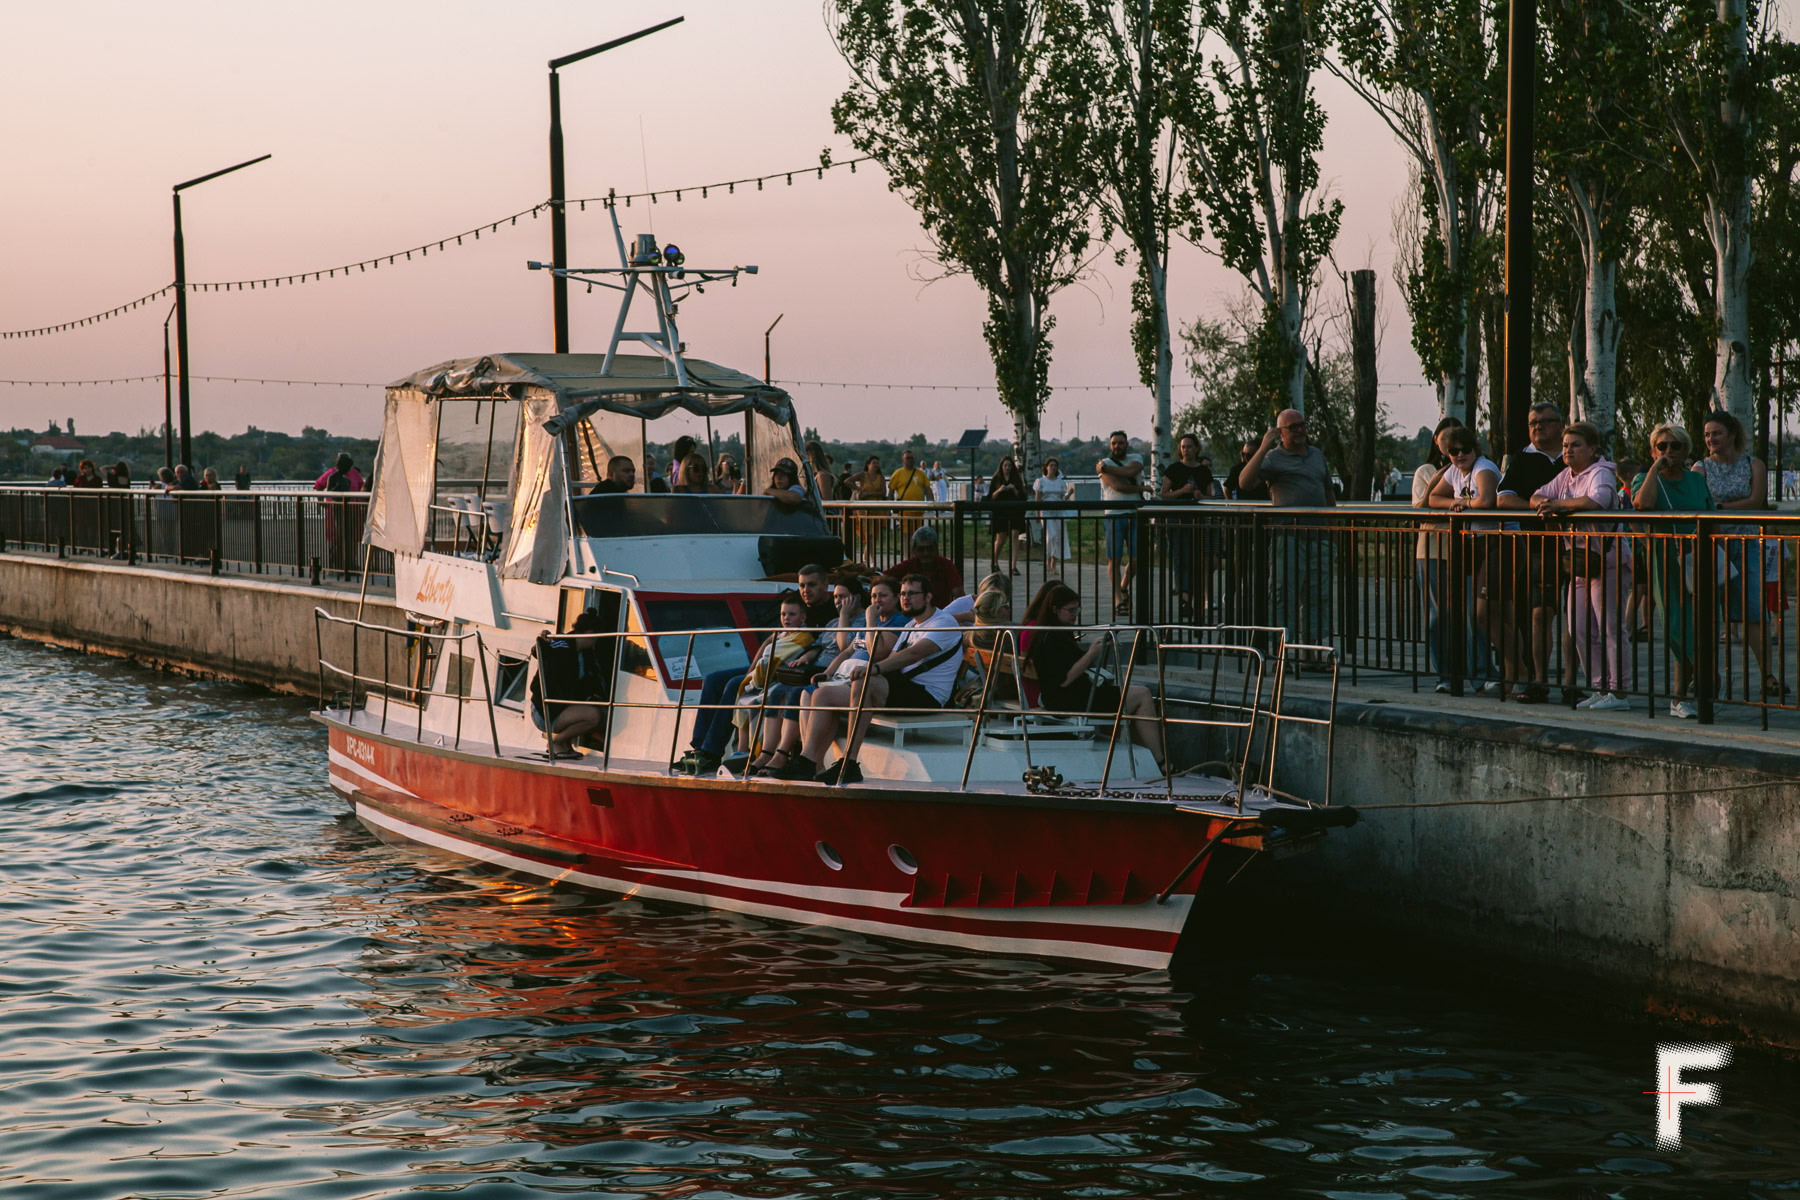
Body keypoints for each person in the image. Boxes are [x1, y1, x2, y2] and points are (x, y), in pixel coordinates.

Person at [798, 573, 966, 785]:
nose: (906, 598)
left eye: (912, 593)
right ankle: (808, 761)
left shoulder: (943, 622)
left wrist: (873, 670)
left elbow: (913, 654)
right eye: (904, 593)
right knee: (823, 694)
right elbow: (894, 658)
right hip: (903, 687)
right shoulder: (910, 626)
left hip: (927, 694)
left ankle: (849, 762)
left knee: (866, 681)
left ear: (928, 597)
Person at [1532, 422, 1631, 711]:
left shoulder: (1601, 473)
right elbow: (1537, 495)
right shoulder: (1566, 476)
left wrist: (1560, 507)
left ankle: (1619, 691)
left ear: (1592, 449)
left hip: (1606, 559)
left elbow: (1598, 500)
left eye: (1575, 445)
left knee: (1610, 627)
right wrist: (1545, 503)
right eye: (1565, 446)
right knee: (1579, 628)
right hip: (1578, 562)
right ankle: (1600, 687)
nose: (1568, 450)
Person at [1020, 581, 1167, 772]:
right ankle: (1159, 760)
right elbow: (1063, 680)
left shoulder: (1048, 632)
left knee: (1137, 695)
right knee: (1143, 695)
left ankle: (1151, 760)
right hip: (1067, 699)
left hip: (1066, 696)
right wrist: (1091, 654)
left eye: (1077, 610)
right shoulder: (1052, 637)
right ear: (1055, 610)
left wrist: (1094, 650)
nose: (1075, 615)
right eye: (1071, 610)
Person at [1237, 409, 1335, 657]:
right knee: (1284, 593)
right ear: (1280, 432)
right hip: (1288, 536)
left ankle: (1310, 652)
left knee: (1318, 595)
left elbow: (1328, 491)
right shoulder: (1273, 458)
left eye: (1302, 425)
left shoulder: (1317, 455)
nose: (1300, 430)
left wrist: (1335, 526)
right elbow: (1244, 483)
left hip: (1320, 535)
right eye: (1293, 427)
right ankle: (1282, 651)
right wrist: (1262, 448)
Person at [1697, 409, 1781, 697]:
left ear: (1731, 435)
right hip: (1712, 544)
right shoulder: (1701, 468)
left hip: (1745, 542)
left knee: (1754, 611)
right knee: (1708, 612)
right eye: (1707, 434)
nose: (1711, 439)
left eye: (1716, 433)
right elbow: (1699, 501)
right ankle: (1707, 677)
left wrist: (1719, 509)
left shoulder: (1753, 464)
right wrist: (1724, 510)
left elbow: (1756, 501)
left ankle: (1767, 676)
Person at [1632, 424, 1711, 718]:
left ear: (1686, 450)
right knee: (1677, 625)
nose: (1669, 452)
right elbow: (1642, 504)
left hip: (1697, 558)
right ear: (1653, 451)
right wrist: (1655, 469)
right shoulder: (1645, 478)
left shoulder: (1696, 480)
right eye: (1662, 446)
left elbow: (1710, 515)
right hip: (1665, 560)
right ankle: (1683, 693)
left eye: (1675, 446)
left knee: (1701, 623)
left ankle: (1695, 688)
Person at [1496, 402, 1567, 701]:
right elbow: (1503, 499)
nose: (1538, 427)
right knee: (1539, 614)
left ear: (1560, 424)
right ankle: (1539, 680)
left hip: (1580, 547)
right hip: (1539, 549)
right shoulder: (1522, 459)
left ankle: (1580, 683)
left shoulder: (1575, 454)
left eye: (1545, 422)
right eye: (1532, 423)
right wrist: (1536, 507)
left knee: (1579, 619)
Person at [1429, 426, 1507, 693]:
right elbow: (1433, 498)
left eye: (1465, 449)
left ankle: (1495, 671)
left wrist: (1463, 504)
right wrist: (1455, 504)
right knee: (1461, 610)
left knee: (1483, 612)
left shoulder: (1484, 468)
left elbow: (1486, 500)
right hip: (1469, 543)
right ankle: (1464, 674)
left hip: (1493, 544)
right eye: (1453, 451)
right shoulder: (1454, 471)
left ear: (1475, 449)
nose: (1460, 455)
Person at [733, 591, 817, 775]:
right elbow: (767, 652)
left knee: (753, 698)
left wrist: (754, 679)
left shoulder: (803, 637)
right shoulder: (781, 634)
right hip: (762, 680)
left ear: (803, 617)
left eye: (792, 614)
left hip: (774, 680)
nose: (786, 618)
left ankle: (755, 752)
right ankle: (743, 751)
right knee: (742, 697)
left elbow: (773, 662)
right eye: (783, 614)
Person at [1413, 417, 1462, 691]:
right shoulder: (1425, 471)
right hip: (1432, 550)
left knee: (1467, 614)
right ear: (1437, 441)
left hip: (1463, 549)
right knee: (1437, 615)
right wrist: (1437, 482)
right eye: (1446, 440)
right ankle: (1445, 672)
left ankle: (1474, 670)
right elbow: (1421, 510)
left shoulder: (1473, 469)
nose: (1452, 447)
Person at [531, 611, 610, 758]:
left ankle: (565, 745)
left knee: (604, 714)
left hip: (562, 707)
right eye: (596, 636)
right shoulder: (564, 644)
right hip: (545, 710)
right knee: (594, 716)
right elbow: (539, 650)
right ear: (589, 633)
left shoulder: (585, 654)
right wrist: (543, 640)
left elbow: (591, 680)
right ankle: (555, 742)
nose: (597, 641)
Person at [1160, 433, 1214, 620]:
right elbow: (1164, 494)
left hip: (1197, 520)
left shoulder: (1204, 471)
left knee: (1197, 559)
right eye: (1183, 447)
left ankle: (1196, 597)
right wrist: (1182, 491)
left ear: (1196, 448)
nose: (1186, 450)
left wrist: (1201, 497)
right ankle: (1183, 597)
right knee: (1179, 558)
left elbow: (1211, 496)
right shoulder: (1174, 469)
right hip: (1177, 519)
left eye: (1189, 447)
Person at [1096, 431, 1145, 614]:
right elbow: (1118, 486)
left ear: (1127, 444)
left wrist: (1106, 469)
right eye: (1114, 443)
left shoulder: (1135, 458)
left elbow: (1132, 471)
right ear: (1110, 445)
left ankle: (1123, 586)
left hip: (1135, 513)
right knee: (1114, 558)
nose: (1117, 446)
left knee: (1137, 557)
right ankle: (1118, 600)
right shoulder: (1105, 463)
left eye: (1121, 443)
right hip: (1114, 515)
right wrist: (1141, 487)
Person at [889, 525, 965, 608]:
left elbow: (959, 594)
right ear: (914, 550)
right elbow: (884, 578)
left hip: (940, 615)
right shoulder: (909, 565)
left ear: (936, 548)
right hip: (913, 616)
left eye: (930, 549)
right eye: (921, 549)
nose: (926, 553)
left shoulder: (946, 565)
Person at [987, 455, 1030, 576]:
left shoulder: (1016, 479)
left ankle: (1013, 566)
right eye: (1005, 465)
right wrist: (999, 490)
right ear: (1001, 466)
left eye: (1010, 466)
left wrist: (1014, 490)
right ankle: (994, 562)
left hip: (1014, 511)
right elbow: (991, 497)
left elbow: (1022, 497)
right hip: (1000, 512)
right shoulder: (996, 478)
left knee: (1015, 535)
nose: (1007, 468)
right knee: (1001, 538)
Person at [1033, 457, 1074, 576]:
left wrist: (1069, 494)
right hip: (1046, 512)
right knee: (1051, 536)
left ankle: (1053, 564)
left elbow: (1062, 499)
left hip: (1058, 512)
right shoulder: (1041, 481)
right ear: (1046, 467)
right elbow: (1038, 499)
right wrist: (1037, 514)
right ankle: (1047, 560)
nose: (1053, 467)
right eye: (1051, 465)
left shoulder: (1060, 482)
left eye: (1055, 465)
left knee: (1057, 538)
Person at [889, 449, 931, 544]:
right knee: (906, 535)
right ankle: (907, 555)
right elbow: (891, 492)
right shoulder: (898, 474)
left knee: (918, 536)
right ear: (903, 460)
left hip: (919, 511)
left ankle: (916, 556)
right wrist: (889, 507)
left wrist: (934, 505)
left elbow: (928, 489)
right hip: (905, 511)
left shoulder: (921, 474)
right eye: (908, 458)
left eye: (912, 458)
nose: (910, 460)